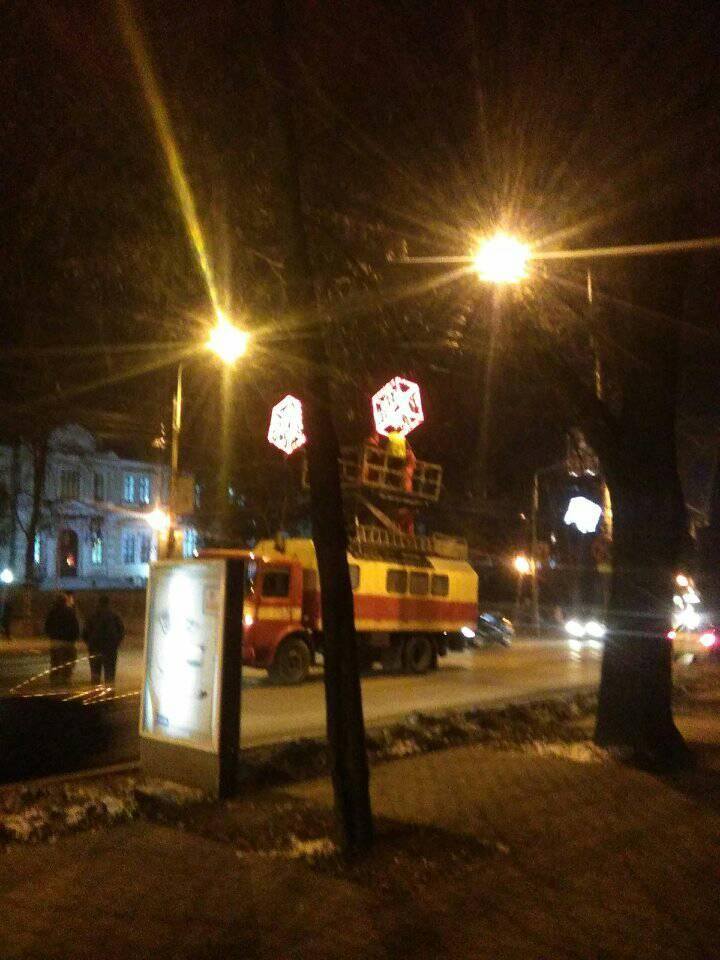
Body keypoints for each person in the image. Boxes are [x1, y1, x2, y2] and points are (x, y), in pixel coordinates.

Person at [83, 595, 125, 688]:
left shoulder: (92, 615)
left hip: (95, 648)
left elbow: (85, 632)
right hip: (110, 649)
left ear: (98, 603)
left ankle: (95, 692)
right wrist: (116, 643)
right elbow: (121, 631)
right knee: (110, 673)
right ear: (108, 603)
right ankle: (109, 692)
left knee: (95, 673)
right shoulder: (115, 616)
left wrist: (89, 643)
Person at [45, 592, 80, 685]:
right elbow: (75, 626)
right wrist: (75, 638)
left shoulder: (52, 612)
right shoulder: (70, 612)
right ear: (65, 601)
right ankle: (66, 678)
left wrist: (52, 636)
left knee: (55, 661)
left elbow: (47, 626)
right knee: (69, 660)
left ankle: (55, 679)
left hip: (56, 641)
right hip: (68, 641)